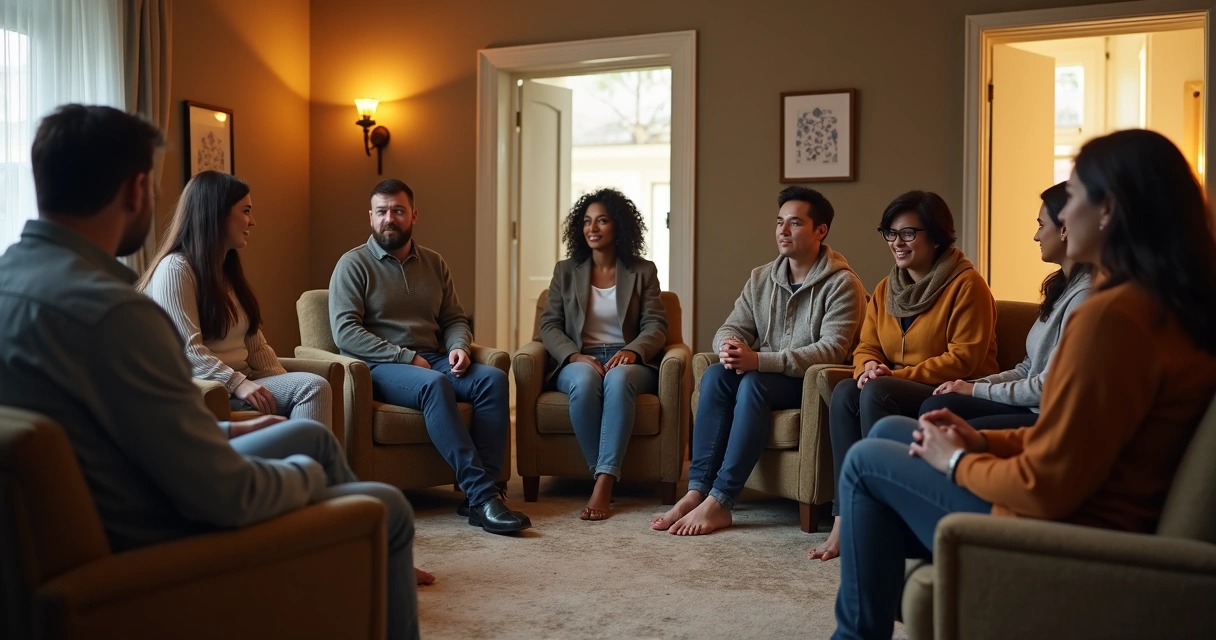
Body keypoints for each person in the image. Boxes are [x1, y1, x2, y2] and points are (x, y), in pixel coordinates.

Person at [0, 105, 420, 639]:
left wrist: (230, 427)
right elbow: (226, 495)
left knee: (302, 435)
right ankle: (354, 554)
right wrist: (308, 478)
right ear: (135, 190)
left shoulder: (16, 284)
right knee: (381, 504)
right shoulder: (116, 315)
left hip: (112, 499)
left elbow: (115, 428)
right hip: (156, 540)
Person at [830, 129, 1216, 640]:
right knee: (892, 434)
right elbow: (1074, 440)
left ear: (1109, 211)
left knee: (864, 462)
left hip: (1074, 528)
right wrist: (980, 439)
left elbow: (1048, 483)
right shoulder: (1165, 303)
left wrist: (959, 461)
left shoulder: (1113, 318)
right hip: (1084, 500)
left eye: (1074, 195)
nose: (1058, 216)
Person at [651, 186, 866, 536]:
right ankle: (697, 490)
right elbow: (731, 326)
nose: (783, 230)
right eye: (780, 222)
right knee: (718, 375)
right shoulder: (761, 277)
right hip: (766, 373)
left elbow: (832, 351)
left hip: (809, 383)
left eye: (795, 223)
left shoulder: (842, 284)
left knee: (753, 381)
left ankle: (721, 501)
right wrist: (730, 347)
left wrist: (760, 361)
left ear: (820, 230)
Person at [330, 178, 531, 534]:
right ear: (370, 217)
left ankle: (481, 496)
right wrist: (406, 358)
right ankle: (484, 497)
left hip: (435, 357)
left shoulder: (435, 264)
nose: (389, 218)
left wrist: (458, 347)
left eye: (398, 211)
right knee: (434, 384)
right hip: (379, 367)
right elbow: (346, 333)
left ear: (414, 215)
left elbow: (454, 318)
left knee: (493, 379)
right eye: (381, 212)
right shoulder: (353, 265)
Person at [810, 191, 998, 561]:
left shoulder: (966, 285)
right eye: (891, 233)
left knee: (875, 393)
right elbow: (866, 345)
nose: (897, 242)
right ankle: (845, 516)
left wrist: (894, 375)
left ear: (938, 236)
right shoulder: (885, 289)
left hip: (951, 389)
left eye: (909, 233)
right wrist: (867, 367)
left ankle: (883, 517)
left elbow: (965, 357)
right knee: (847, 391)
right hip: (894, 383)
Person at [138, 171, 332, 427]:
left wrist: (282, 385)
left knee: (310, 387)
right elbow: (187, 350)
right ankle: (309, 467)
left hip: (243, 380)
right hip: (208, 388)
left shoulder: (227, 271)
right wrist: (238, 383)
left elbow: (256, 347)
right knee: (312, 387)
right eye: (246, 211)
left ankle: (301, 465)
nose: (252, 222)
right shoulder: (175, 269)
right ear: (217, 214)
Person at [540, 188, 668, 521]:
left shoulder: (643, 270)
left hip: (628, 359)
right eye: (586, 221)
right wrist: (572, 356)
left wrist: (632, 350)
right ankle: (604, 475)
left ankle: (603, 483)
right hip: (581, 357)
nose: (592, 228)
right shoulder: (566, 271)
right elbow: (549, 326)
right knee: (583, 381)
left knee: (619, 378)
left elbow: (656, 325)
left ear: (618, 227)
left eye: (602, 220)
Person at [919, 182, 1091, 429]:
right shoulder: (1060, 288)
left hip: (1047, 416)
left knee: (936, 409)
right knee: (940, 402)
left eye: (1041, 225)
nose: (1036, 236)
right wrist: (974, 386)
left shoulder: (1085, 296)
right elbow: (1027, 368)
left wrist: (976, 390)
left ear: (1064, 229)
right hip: (1028, 403)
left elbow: (1047, 387)